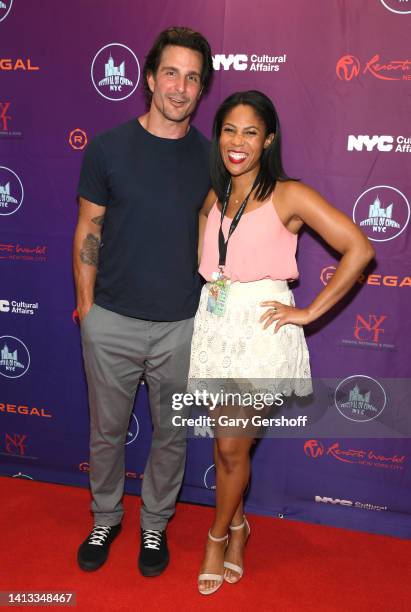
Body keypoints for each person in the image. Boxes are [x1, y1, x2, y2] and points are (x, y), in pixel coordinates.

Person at [189, 90, 375, 595]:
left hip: (263, 332)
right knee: (231, 451)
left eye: (251, 132)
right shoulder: (214, 195)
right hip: (217, 327)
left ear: (268, 139)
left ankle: (217, 534)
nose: (238, 141)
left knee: (229, 445)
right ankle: (241, 525)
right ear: (218, 135)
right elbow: (211, 263)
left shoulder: (289, 194)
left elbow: (359, 247)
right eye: (229, 129)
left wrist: (309, 311)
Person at [73, 26, 213, 577]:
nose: (181, 87)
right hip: (111, 322)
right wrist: (87, 309)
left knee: (171, 436)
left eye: (193, 78)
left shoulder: (211, 159)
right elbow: (89, 228)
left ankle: (154, 526)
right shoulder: (108, 147)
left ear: (201, 90)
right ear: (150, 78)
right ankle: (105, 516)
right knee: (105, 433)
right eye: (172, 73)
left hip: (182, 326)